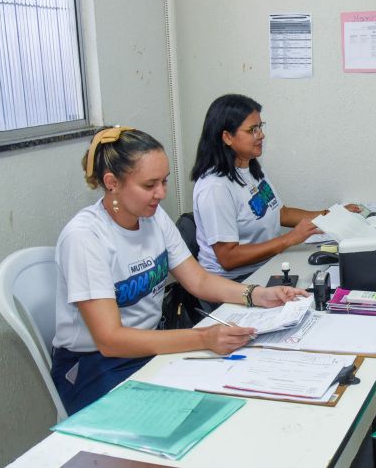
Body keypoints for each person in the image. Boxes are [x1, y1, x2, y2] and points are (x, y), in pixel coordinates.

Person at [51, 127, 306, 414]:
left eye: (164, 182)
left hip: (149, 349)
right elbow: (111, 340)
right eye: (149, 185)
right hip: (95, 365)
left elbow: (197, 279)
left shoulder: (153, 217)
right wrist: (202, 338)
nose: (160, 194)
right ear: (112, 183)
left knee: (236, 392)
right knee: (189, 415)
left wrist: (257, 294)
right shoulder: (85, 238)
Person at [191, 94, 358, 281]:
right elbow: (228, 258)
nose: (261, 135)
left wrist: (331, 215)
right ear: (227, 137)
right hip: (234, 281)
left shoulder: (249, 166)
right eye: (252, 130)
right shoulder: (215, 188)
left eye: (260, 127)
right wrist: (289, 239)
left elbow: (281, 213)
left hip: (265, 266)